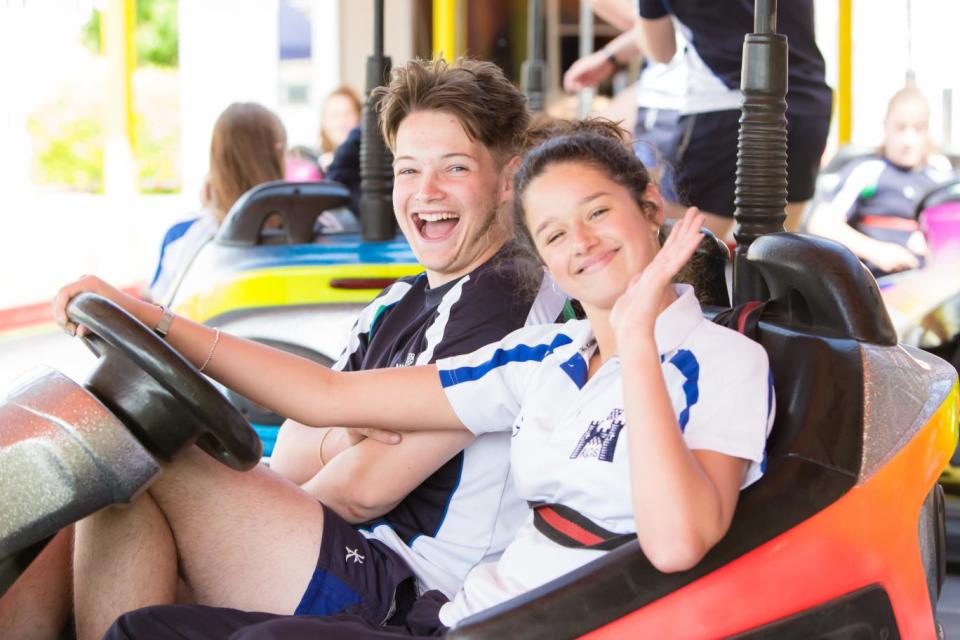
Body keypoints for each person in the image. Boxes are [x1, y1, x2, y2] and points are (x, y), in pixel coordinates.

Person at [89, 123, 774, 639]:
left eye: (597, 212)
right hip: (456, 617)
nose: (582, 243)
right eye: (555, 234)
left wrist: (638, 339)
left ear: (650, 207)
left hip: (535, 625)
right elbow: (330, 398)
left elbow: (677, 540)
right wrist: (158, 323)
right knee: (145, 631)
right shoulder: (548, 357)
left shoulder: (723, 360)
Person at [2, 58, 566, 640]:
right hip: (349, 551)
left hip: (408, 588)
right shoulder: (399, 299)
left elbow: (362, 491)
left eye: (454, 168)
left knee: (131, 451)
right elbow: (299, 441)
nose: (426, 193)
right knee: (107, 475)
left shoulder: (508, 298)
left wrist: (241, 523)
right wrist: (339, 440)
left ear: (508, 178)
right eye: (407, 169)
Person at [566, 0, 832, 241]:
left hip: (720, 107)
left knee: (681, 261)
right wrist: (611, 55)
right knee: (774, 257)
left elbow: (661, 49)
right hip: (804, 102)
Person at [806, 85, 952, 277]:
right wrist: (878, 251)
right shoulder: (867, 171)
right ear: (886, 128)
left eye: (918, 129)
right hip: (877, 284)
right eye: (900, 128)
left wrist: (935, 242)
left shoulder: (941, 178)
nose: (909, 140)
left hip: (931, 283)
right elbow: (821, 223)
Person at [149, 102, 287, 304]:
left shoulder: (186, 236)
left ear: (216, 158)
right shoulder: (320, 229)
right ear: (279, 152)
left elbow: (159, 307)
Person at [318, 85, 363, 170]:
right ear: (323, 121)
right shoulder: (313, 162)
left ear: (360, 117)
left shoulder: (368, 162)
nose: (341, 122)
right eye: (334, 115)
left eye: (348, 114)